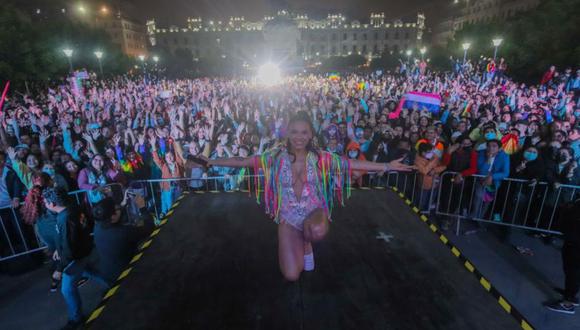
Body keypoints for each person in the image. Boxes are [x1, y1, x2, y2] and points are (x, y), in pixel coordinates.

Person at [195, 111, 414, 281]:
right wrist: (211, 161)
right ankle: (301, 242)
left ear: (311, 134)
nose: (299, 137)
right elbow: (242, 161)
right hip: (288, 219)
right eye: (294, 132)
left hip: (314, 213)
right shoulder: (274, 157)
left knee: (316, 229)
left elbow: (351, 164)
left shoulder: (321, 158)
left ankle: (307, 243)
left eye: (304, 132)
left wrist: (386, 165)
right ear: (287, 133)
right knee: (291, 275)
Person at [43, 187, 110, 329]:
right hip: (84, 250)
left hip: (75, 257)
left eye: (45, 202)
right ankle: (110, 283)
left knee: (67, 289)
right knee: (89, 271)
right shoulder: (74, 208)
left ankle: (76, 318)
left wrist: (60, 269)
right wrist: (58, 248)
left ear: (52, 204)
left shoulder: (65, 218)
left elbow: (69, 248)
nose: (44, 204)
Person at [546, 198, 580, 314]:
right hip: (573, 239)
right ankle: (570, 294)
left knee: (573, 271)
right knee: (571, 270)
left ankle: (568, 303)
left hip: (576, 241)